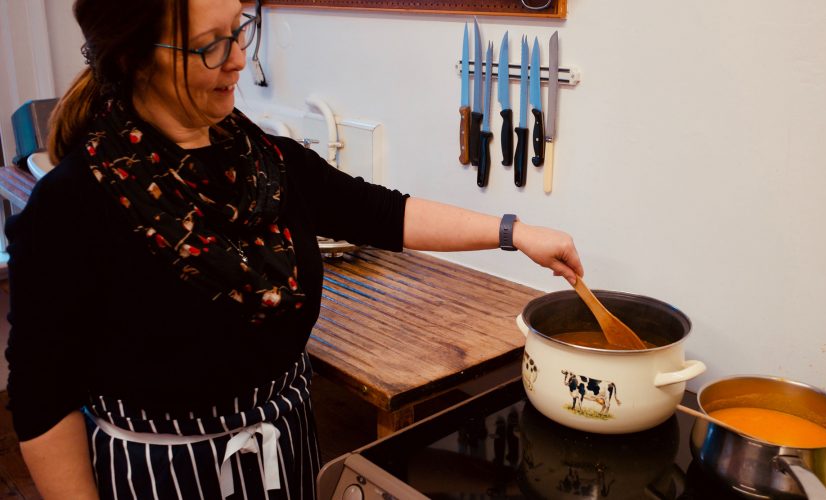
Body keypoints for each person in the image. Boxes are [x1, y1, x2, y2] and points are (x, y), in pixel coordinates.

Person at [4, 0, 583, 498]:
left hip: (286, 450)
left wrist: (515, 232)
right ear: (133, 57)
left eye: (240, 27)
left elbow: (381, 212)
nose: (236, 57)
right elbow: (41, 402)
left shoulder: (262, 161)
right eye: (209, 45)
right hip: (162, 474)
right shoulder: (73, 206)